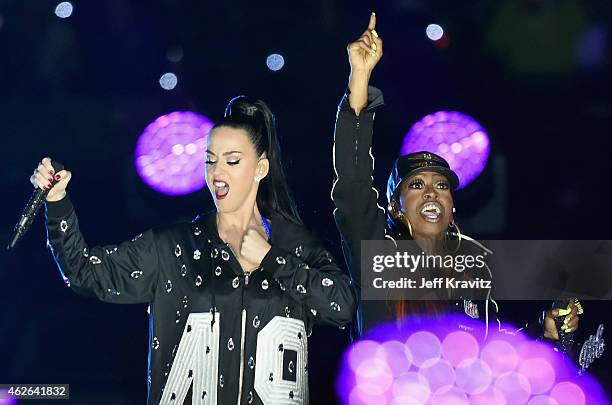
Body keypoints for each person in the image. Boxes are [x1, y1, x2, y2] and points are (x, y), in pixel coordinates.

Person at [33, 96, 357, 405]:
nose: (218, 172)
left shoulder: (295, 246)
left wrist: (272, 260)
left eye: (232, 161)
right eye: (210, 160)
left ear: (260, 169)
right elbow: (84, 272)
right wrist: (57, 202)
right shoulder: (173, 246)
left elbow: (344, 307)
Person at [331, 13, 580, 349]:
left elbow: (488, 355)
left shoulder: (470, 273)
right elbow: (353, 181)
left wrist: (542, 329)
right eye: (417, 185)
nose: (432, 192)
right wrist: (359, 77)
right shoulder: (378, 257)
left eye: (442, 185)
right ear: (395, 206)